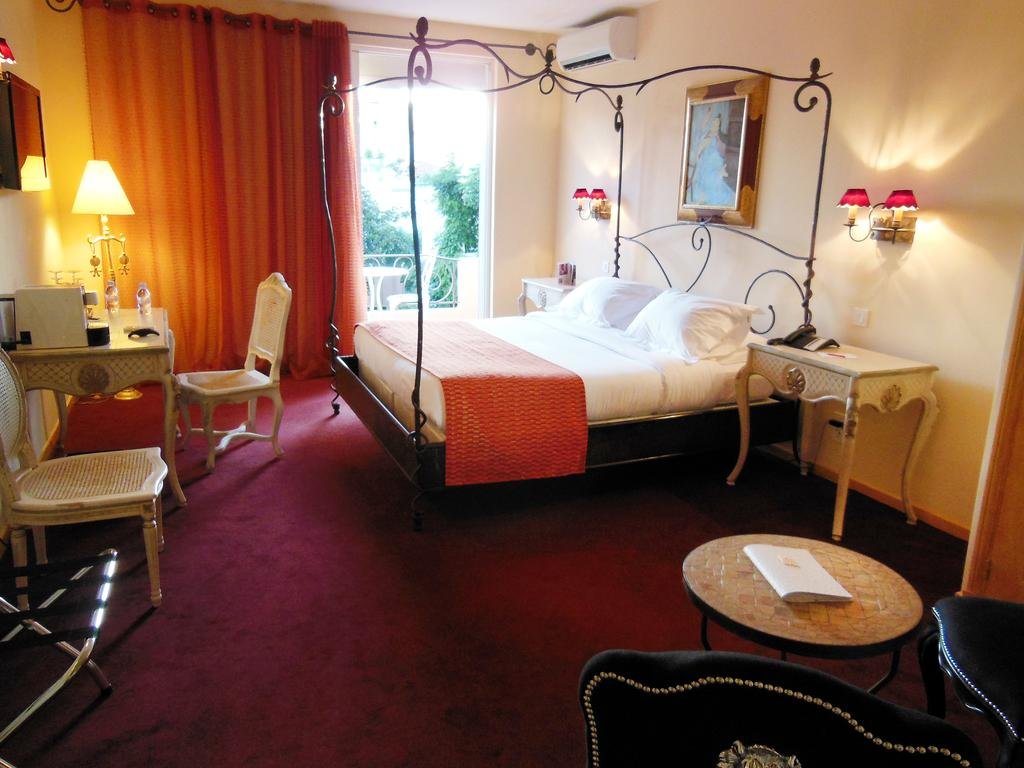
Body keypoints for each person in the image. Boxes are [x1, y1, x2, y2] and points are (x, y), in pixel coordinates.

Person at [687, 110, 736, 207]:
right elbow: (696, 155)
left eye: (717, 124)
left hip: (713, 172)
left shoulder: (719, 140)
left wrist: (721, 170)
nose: (715, 126)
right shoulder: (703, 136)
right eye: (714, 123)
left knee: (722, 195)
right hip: (704, 172)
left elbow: (724, 155)